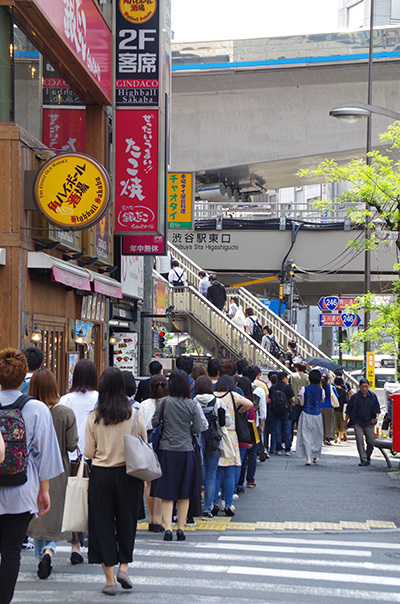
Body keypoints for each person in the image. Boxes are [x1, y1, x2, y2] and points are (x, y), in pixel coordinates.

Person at [0, 348, 63, 604]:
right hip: (21, 489)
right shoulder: (36, 409)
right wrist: (44, 491)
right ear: (24, 376)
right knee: (12, 550)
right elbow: (45, 455)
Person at [84, 367, 146, 596]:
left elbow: (89, 451)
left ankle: (109, 580)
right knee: (127, 523)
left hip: (101, 474)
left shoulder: (94, 416)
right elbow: (142, 442)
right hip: (128, 474)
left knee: (102, 526)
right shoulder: (134, 413)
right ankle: (124, 568)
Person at [27, 369, 78, 580]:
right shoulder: (65, 413)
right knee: (53, 511)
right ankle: (49, 550)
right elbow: (72, 444)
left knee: (38, 516)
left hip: (32, 468)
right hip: (58, 469)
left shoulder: (28, 411)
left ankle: (41, 556)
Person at [150, 370, 204, 541]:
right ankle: (181, 528)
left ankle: (168, 528)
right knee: (184, 493)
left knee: (167, 492)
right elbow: (198, 428)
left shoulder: (164, 402)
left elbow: (154, 422)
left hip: (166, 451)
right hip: (186, 451)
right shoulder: (192, 405)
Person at [59, 359, 98, 565]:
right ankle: (96, 542)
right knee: (95, 501)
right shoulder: (100, 399)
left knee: (74, 500)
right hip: (96, 458)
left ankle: (76, 545)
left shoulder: (65, 400)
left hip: (72, 458)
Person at [212, 375, 253, 517]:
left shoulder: (212, 396)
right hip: (230, 435)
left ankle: (213, 504)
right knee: (229, 471)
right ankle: (228, 504)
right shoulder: (232, 395)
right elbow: (249, 404)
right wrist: (240, 410)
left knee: (215, 471)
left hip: (215, 435)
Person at [194, 375, 230, 520]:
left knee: (196, 475)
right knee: (211, 476)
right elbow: (226, 422)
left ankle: (196, 505)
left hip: (197, 442)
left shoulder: (193, 402)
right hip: (213, 442)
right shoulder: (218, 402)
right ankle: (208, 509)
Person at [140, 375, 169, 533]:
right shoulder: (168, 403)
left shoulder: (144, 405)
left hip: (147, 442)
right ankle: (159, 518)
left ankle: (151, 518)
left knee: (149, 483)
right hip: (163, 443)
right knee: (160, 482)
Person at [345, 378, 380, 467]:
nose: (364, 388)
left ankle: (367, 456)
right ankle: (363, 459)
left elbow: (377, 409)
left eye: (366, 386)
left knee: (371, 442)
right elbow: (348, 410)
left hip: (369, 422)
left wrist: (375, 417)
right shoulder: (355, 397)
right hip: (358, 422)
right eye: (362, 386)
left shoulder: (372, 396)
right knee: (360, 440)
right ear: (359, 387)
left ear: (368, 387)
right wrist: (346, 422)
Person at [296, 369, 324, 465]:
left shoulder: (304, 389)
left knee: (305, 435)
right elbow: (322, 401)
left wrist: (299, 395)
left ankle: (308, 457)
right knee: (317, 435)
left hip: (306, 413)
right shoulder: (321, 390)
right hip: (317, 414)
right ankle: (315, 456)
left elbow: (302, 403)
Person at [268, 371, 295, 455]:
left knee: (277, 429)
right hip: (285, 411)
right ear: (284, 378)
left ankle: (278, 449)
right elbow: (293, 399)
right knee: (287, 430)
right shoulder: (287, 387)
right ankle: (287, 449)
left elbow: (269, 399)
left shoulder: (273, 388)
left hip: (275, 411)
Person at [320, 375, 338, 446]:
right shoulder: (331, 387)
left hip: (320, 407)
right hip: (329, 407)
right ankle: (327, 438)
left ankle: (321, 438)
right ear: (328, 380)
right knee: (328, 423)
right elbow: (336, 396)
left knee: (321, 424)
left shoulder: (319, 388)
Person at [333, 377, 349, 444]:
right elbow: (346, 401)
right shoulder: (344, 392)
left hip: (334, 409)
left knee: (334, 424)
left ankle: (335, 436)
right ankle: (339, 438)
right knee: (342, 424)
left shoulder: (333, 390)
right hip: (342, 410)